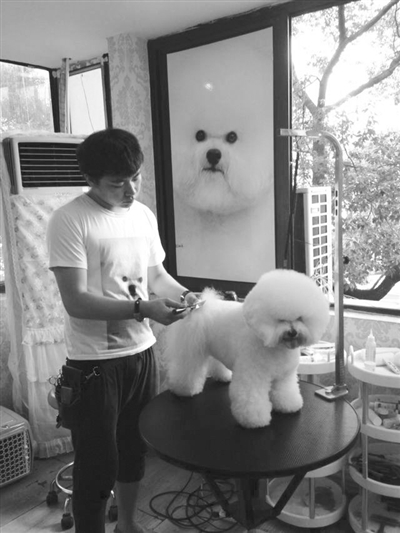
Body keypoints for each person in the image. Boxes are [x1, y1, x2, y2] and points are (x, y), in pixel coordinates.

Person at [46, 128, 198, 533]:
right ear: (90, 179)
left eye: (136, 177)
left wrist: (187, 295)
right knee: (97, 464)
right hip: (94, 364)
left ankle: (127, 524)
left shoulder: (143, 215)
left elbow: (157, 276)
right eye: (118, 183)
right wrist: (141, 308)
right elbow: (76, 301)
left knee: (133, 451)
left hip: (142, 354)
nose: (130, 190)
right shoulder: (69, 220)